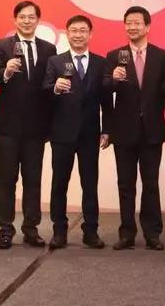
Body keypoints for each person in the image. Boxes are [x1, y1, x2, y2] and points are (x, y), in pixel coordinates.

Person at [0, 1, 56, 249]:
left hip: (36, 128)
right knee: (6, 180)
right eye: (22, 17)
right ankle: (6, 229)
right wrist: (6, 72)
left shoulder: (49, 48)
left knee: (33, 180)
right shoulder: (2, 46)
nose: (27, 21)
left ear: (38, 20)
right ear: (15, 20)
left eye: (31, 17)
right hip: (8, 126)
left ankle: (31, 228)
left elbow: (49, 85)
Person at [102, 6, 165, 251]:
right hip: (123, 130)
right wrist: (113, 79)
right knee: (125, 184)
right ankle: (127, 233)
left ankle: (153, 233)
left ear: (147, 26)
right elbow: (104, 89)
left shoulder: (161, 56)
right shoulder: (114, 55)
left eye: (137, 23)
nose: (132, 27)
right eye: (128, 23)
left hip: (152, 130)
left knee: (151, 184)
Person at [44, 15, 113, 250]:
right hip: (62, 133)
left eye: (83, 30)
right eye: (74, 30)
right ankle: (59, 230)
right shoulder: (55, 61)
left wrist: (107, 129)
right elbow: (44, 92)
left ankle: (90, 231)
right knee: (59, 184)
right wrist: (55, 88)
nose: (78, 35)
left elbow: (107, 100)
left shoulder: (101, 63)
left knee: (90, 183)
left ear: (90, 34)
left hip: (90, 133)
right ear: (67, 33)